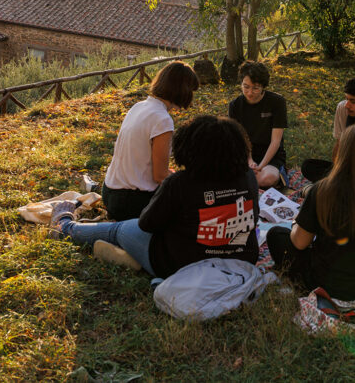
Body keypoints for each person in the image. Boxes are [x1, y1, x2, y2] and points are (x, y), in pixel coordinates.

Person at [51, 115, 260, 277]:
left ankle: (65, 227)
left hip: (178, 264)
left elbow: (147, 224)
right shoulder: (248, 177)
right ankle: (127, 256)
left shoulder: (179, 182)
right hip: (240, 260)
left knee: (122, 228)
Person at [267, 123, 355, 300]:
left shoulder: (323, 191)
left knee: (276, 235)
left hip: (332, 285)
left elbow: (299, 243)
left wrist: (298, 221)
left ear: (343, 152)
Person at [101, 61, 199, 221]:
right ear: (183, 90)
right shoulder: (162, 119)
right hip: (131, 201)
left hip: (109, 191)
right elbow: (159, 176)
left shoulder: (138, 107)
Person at [228, 61, 287, 188]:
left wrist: (261, 166)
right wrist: (249, 160)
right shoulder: (235, 105)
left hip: (271, 154)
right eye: (246, 86)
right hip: (244, 153)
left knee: (267, 179)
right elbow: (240, 137)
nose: (249, 92)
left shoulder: (277, 102)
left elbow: (276, 141)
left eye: (255, 88)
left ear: (263, 87)